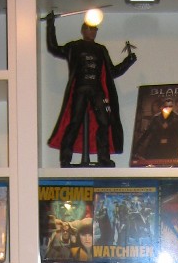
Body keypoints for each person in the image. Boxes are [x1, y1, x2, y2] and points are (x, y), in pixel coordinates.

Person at [45, 11, 136, 167]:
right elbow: (53, 48)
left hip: (96, 90)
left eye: (95, 29)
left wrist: (128, 61)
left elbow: (112, 72)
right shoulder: (74, 46)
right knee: (74, 122)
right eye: (90, 29)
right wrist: (50, 24)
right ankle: (66, 159)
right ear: (83, 30)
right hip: (80, 89)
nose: (93, 32)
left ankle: (103, 158)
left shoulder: (101, 49)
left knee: (104, 122)